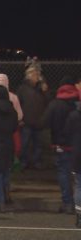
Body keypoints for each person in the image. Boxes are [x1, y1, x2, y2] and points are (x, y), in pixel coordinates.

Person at [44, 76, 80, 214]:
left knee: (64, 173)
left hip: (61, 144)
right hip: (77, 144)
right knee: (78, 177)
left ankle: (68, 203)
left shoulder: (55, 104)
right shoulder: (78, 101)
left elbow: (45, 122)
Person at [16, 65, 49, 170]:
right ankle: (23, 162)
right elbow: (18, 104)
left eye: (38, 75)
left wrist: (45, 92)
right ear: (29, 76)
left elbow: (48, 102)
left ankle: (36, 162)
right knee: (24, 144)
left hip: (39, 121)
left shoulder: (41, 89)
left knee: (38, 144)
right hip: (26, 122)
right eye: (35, 74)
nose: (37, 76)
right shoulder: (22, 89)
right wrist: (19, 119)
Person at [64, 99, 81, 227]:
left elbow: (67, 133)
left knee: (79, 185)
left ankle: (79, 215)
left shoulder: (73, 115)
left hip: (77, 154)